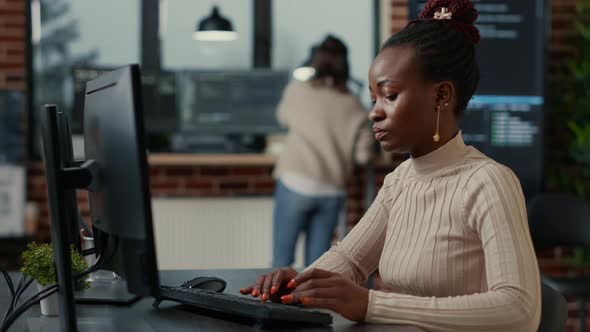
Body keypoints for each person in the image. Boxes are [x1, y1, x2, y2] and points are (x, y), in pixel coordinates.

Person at [241, 0, 541, 331]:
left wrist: (371, 303)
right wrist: (302, 282)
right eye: (373, 99)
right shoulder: (400, 181)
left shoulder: (490, 182)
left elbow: (519, 309)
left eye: (390, 95)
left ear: (442, 96)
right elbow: (351, 260)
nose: (374, 112)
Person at [271, 35, 373, 267]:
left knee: (281, 262)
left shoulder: (297, 91)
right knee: (316, 267)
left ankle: (274, 303)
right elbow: (363, 156)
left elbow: (282, 117)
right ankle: (313, 305)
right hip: (331, 190)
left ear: (314, 61)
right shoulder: (355, 106)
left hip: (295, 183)